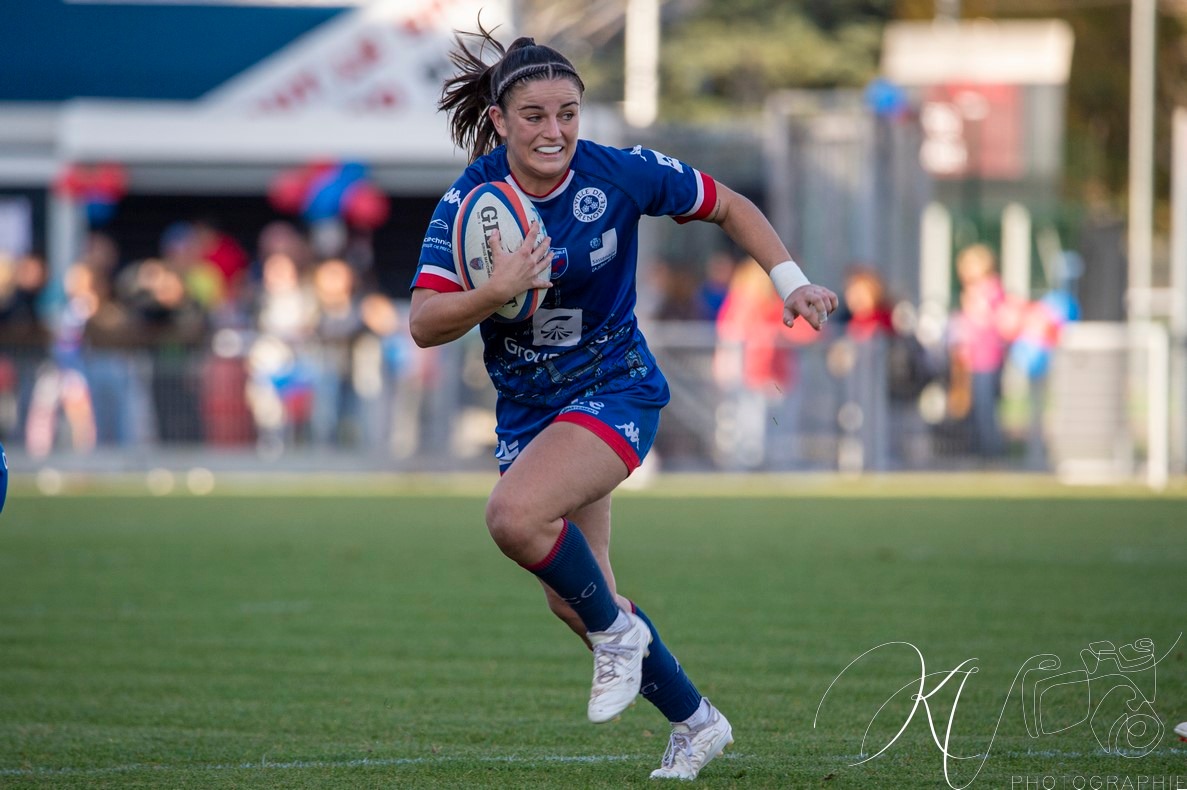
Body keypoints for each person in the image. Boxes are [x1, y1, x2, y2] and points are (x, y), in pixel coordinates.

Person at [409, 26, 837, 781]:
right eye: (535, 116)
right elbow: (423, 322)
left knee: (513, 517)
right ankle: (695, 721)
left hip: (616, 387)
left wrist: (790, 281)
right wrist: (493, 292)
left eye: (568, 112)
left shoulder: (622, 173)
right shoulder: (469, 202)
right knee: (580, 602)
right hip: (530, 410)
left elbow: (728, 205)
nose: (555, 131)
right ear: (501, 120)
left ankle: (619, 640)